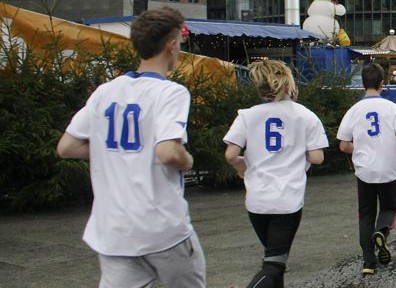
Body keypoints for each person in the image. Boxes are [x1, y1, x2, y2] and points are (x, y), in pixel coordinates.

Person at [56, 8, 206, 287]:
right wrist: (188, 161)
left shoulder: (105, 92)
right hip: (161, 228)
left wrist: (114, 150)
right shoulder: (170, 92)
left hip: (113, 231)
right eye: (180, 43)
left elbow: (66, 147)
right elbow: (168, 153)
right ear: (171, 45)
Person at [223, 60, 329, 287]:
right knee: (273, 265)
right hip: (287, 201)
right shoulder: (305, 115)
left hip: (256, 202)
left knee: (274, 260)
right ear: (289, 85)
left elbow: (231, 155)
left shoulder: (247, 115)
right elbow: (318, 158)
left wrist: (242, 166)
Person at [337, 63, 396, 276]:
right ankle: (381, 232)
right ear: (382, 84)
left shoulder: (354, 110)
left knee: (366, 214)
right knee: (388, 208)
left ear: (362, 84)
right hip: (388, 167)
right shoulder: (391, 107)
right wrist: (389, 147)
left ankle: (368, 262)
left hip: (364, 169)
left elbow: (343, 145)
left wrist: (358, 149)